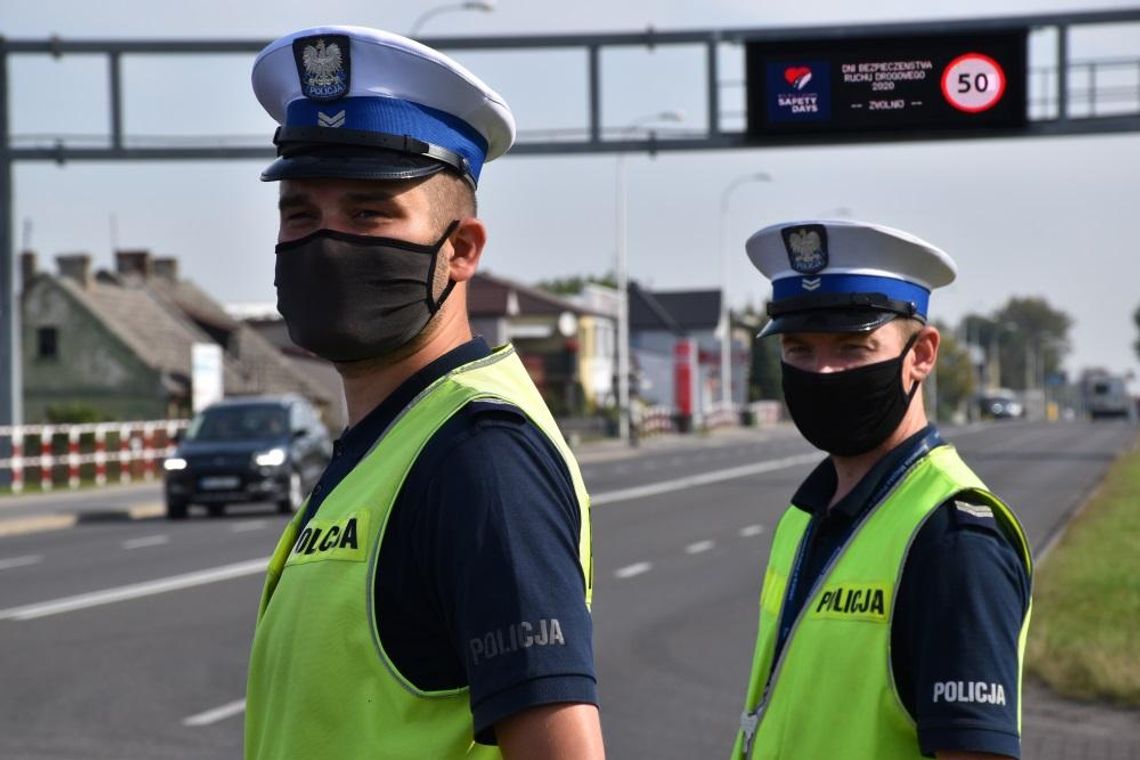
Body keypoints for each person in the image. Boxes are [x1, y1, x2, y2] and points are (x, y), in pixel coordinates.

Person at [243, 26, 603, 760]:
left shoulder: (479, 456)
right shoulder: (391, 443)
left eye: (370, 213)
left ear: (462, 250)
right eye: (300, 214)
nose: (327, 243)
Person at [731, 220, 1032, 759]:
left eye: (853, 348)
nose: (823, 371)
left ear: (922, 354)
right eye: (799, 349)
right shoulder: (806, 514)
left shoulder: (953, 541)